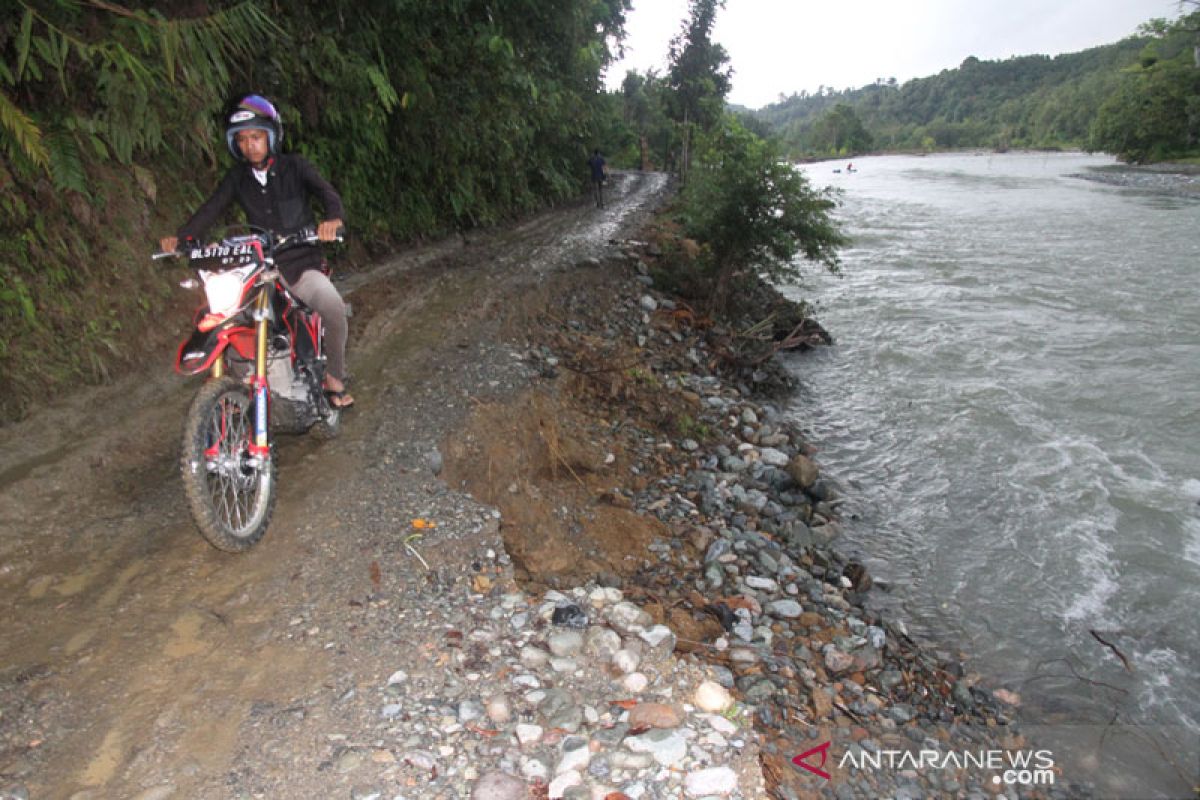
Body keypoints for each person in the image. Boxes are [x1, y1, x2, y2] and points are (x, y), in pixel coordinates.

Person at [159, 94, 353, 408]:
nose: (251, 145)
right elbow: (211, 210)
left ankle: (335, 379)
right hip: (258, 267)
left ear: (271, 136)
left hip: (298, 264)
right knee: (228, 315)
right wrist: (182, 240)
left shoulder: (295, 167)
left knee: (332, 307)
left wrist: (332, 220)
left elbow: (327, 194)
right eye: (244, 139)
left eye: (257, 137)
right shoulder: (238, 177)